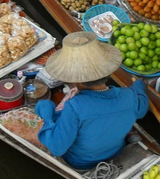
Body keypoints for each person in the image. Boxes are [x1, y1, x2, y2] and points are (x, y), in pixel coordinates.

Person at [34, 32, 149, 170]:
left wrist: (46, 113)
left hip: (80, 162)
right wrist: (139, 87)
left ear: (77, 80)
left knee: (44, 107)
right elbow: (143, 106)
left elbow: (57, 148)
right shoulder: (130, 96)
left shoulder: (75, 107)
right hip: (115, 151)